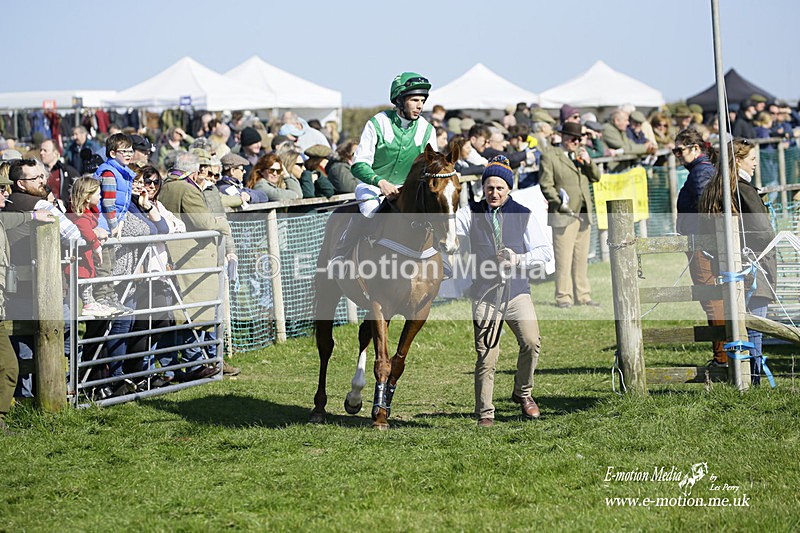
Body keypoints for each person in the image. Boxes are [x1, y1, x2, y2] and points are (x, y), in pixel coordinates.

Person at [455, 156, 553, 427]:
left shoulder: (522, 214)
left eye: (499, 188)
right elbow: (448, 231)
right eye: (489, 187)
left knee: (531, 342)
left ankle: (523, 393)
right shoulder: (469, 213)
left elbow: (544, 252)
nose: (494, 193)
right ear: (482, 188)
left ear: (509, 188)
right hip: (485, 294)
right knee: (487, 355)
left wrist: (518, 258)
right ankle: (485, 412)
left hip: (517, 291)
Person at [328, 72, 438, 272]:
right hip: (373, 187)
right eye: (414, 100)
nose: (420, 105)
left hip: (408, 190)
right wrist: (380, 182)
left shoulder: (427, 129)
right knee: (370, 210)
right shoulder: (378, 122)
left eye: (422, 100)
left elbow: (431, 166)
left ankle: (440, 258)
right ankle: (342, 254)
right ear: (399, 100)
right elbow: (359, 164)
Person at [699, 138, 777, 382]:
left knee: (740, 323)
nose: (755, 165)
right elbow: (763, 231)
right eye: (752, 159)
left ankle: (742, 375)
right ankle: (752, 377)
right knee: (755, 325)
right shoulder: (743, 189)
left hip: (727, 266)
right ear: (739, 160)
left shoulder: (714, 188)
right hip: (752, 265)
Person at [158, 151, 236, 381]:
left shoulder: (167, 185)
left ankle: (178, 366)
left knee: (182, 314)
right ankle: (196, 364)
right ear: (192, 170)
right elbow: (203, 221)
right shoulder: (186, 189)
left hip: (176, 256)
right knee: (195, 313)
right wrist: (221, 223)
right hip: (192, 258)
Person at [674, 127, 727, 366]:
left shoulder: (700, 173)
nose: (677, 155)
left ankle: (723, 357)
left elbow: (708, 209)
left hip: (702, 245)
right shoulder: (699, 170)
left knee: (711, 298)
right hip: (701, 243)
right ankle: (722, 354)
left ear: (695, 148)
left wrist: (704, 240)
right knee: (712, 298)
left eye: (679, 150)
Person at [539, 121, 602, 308]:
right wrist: (560, 203)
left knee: (581, 258)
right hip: (564, 214)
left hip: (583, 213)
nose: (576, 142)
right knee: (564, 259)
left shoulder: (581, 156)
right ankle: (563, 297)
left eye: (579, 139)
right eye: (573, 139)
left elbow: (597, 177)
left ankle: (583, 295)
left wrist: (588, 162)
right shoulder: (549, 156)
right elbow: (546, 185)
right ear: (564, 137)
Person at [66, 177, 114, 317]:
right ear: (87, 197)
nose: (101, 196)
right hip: (79, 257)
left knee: (88, 277)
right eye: (98, 193)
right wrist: (97, 246)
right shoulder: (79, 215)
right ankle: (88, 303)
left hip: (84, 255)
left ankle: (90, 301)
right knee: (85, 278)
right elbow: (87, 231)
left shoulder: (88, 211)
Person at [39, 139, 80, 204]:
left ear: (55, 153)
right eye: (40, 150)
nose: (41, 153)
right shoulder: (38, 172)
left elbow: (80, 193)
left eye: (45, 150)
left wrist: (64, 203)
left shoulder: (67, 171)